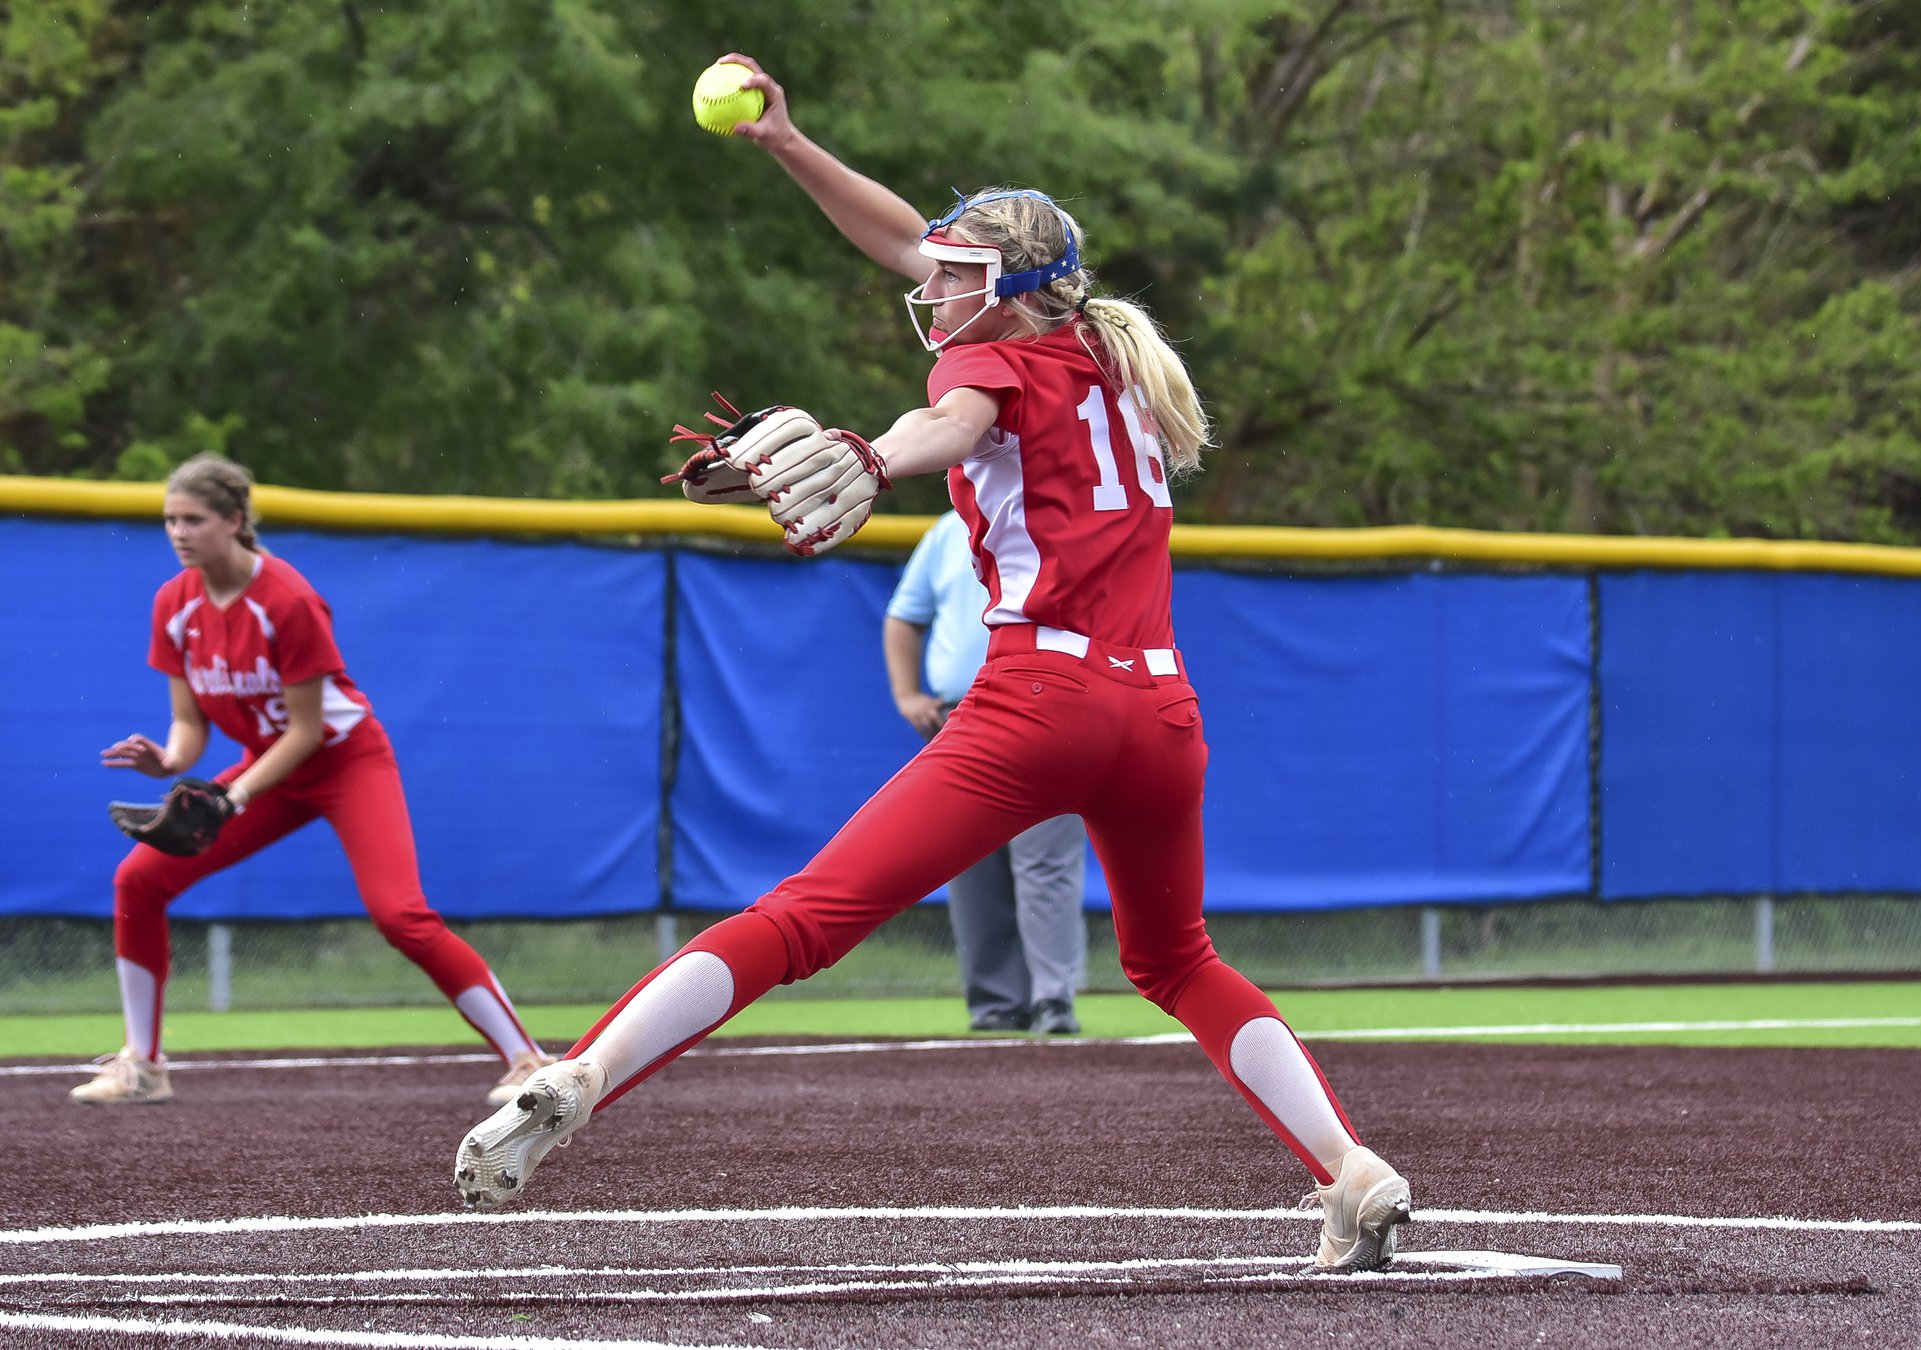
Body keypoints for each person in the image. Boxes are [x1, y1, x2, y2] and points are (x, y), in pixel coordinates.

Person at [453, 54, 1412, 1273]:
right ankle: (1351, 1168)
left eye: (963, 274)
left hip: (1041, 700)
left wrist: (868, 451)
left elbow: (949, 422)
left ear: (1012, 294)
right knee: (1178, 960)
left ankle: (584, 1074)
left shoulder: (985, 360)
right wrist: (788, 146)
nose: (935, 280)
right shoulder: (1110, 358)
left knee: (804, 918)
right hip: (1161, 713)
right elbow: (909, 240)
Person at [74, 453, 552, 1107]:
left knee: (400, 916)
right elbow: (188, 725)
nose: (178, 532)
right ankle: (143, 1065)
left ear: (235, 521)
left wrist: (233, 796)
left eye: (193, 519)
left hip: (343, 761)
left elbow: (304, 731)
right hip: (268, 767)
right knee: (138, 879)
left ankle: (526, 1058)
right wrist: (168, 761)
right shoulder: (175, 605)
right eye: (169, 520)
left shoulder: (286, 599)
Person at [887, 510, 1088, 1034]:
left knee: (1043, 861)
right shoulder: (948, 529)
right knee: (970, 863)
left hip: (1051, 706)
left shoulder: (1067, 514)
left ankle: (1052, 1000)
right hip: (961, 713)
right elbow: (904, 615)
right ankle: (997, 1004)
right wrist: (908, 693)